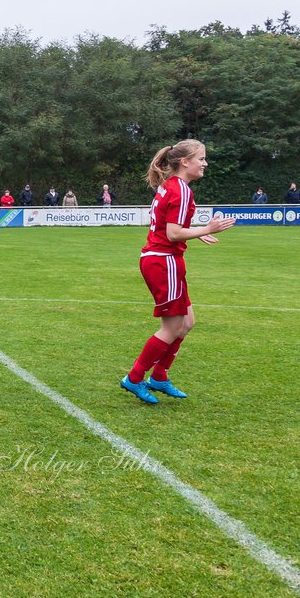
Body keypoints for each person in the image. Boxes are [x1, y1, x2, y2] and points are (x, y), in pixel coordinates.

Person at [119, 140, 235, 404]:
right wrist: (206, 229)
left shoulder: (171, 186)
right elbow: (172, 233)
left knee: (187, 323)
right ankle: (134, 378)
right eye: (201, 158)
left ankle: (159, 376)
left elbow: (169, 226)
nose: (205, 163)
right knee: (172, 327)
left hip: (164, 259)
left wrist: (195, 233)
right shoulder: (181, 190)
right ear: (185, 162)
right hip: (163, 262)